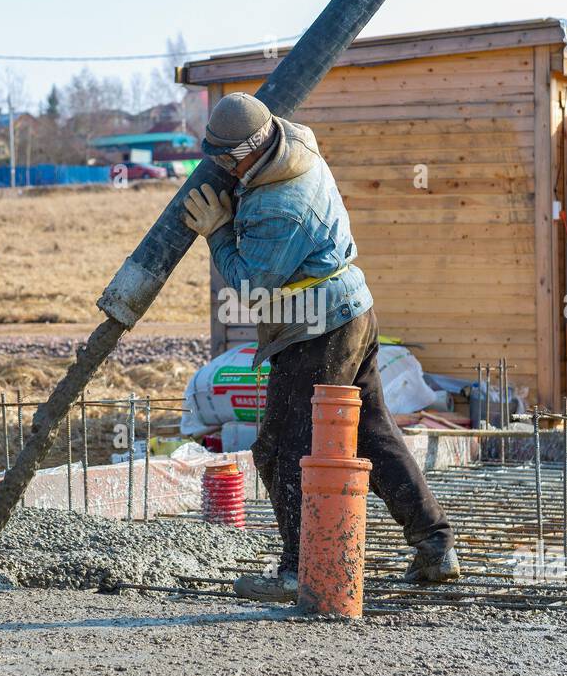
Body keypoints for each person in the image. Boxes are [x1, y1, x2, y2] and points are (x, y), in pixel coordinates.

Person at [183, 92, 460, 603]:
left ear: (246, 150)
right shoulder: (290, 141)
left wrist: (218, 233)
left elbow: (250, 289)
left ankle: (298, 569)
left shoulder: (281, 206)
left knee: (281, 450)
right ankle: (434, 543)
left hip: (315, 330)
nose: (220, 168)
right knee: (372, 435)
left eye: (225, 159)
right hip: (350, 312)